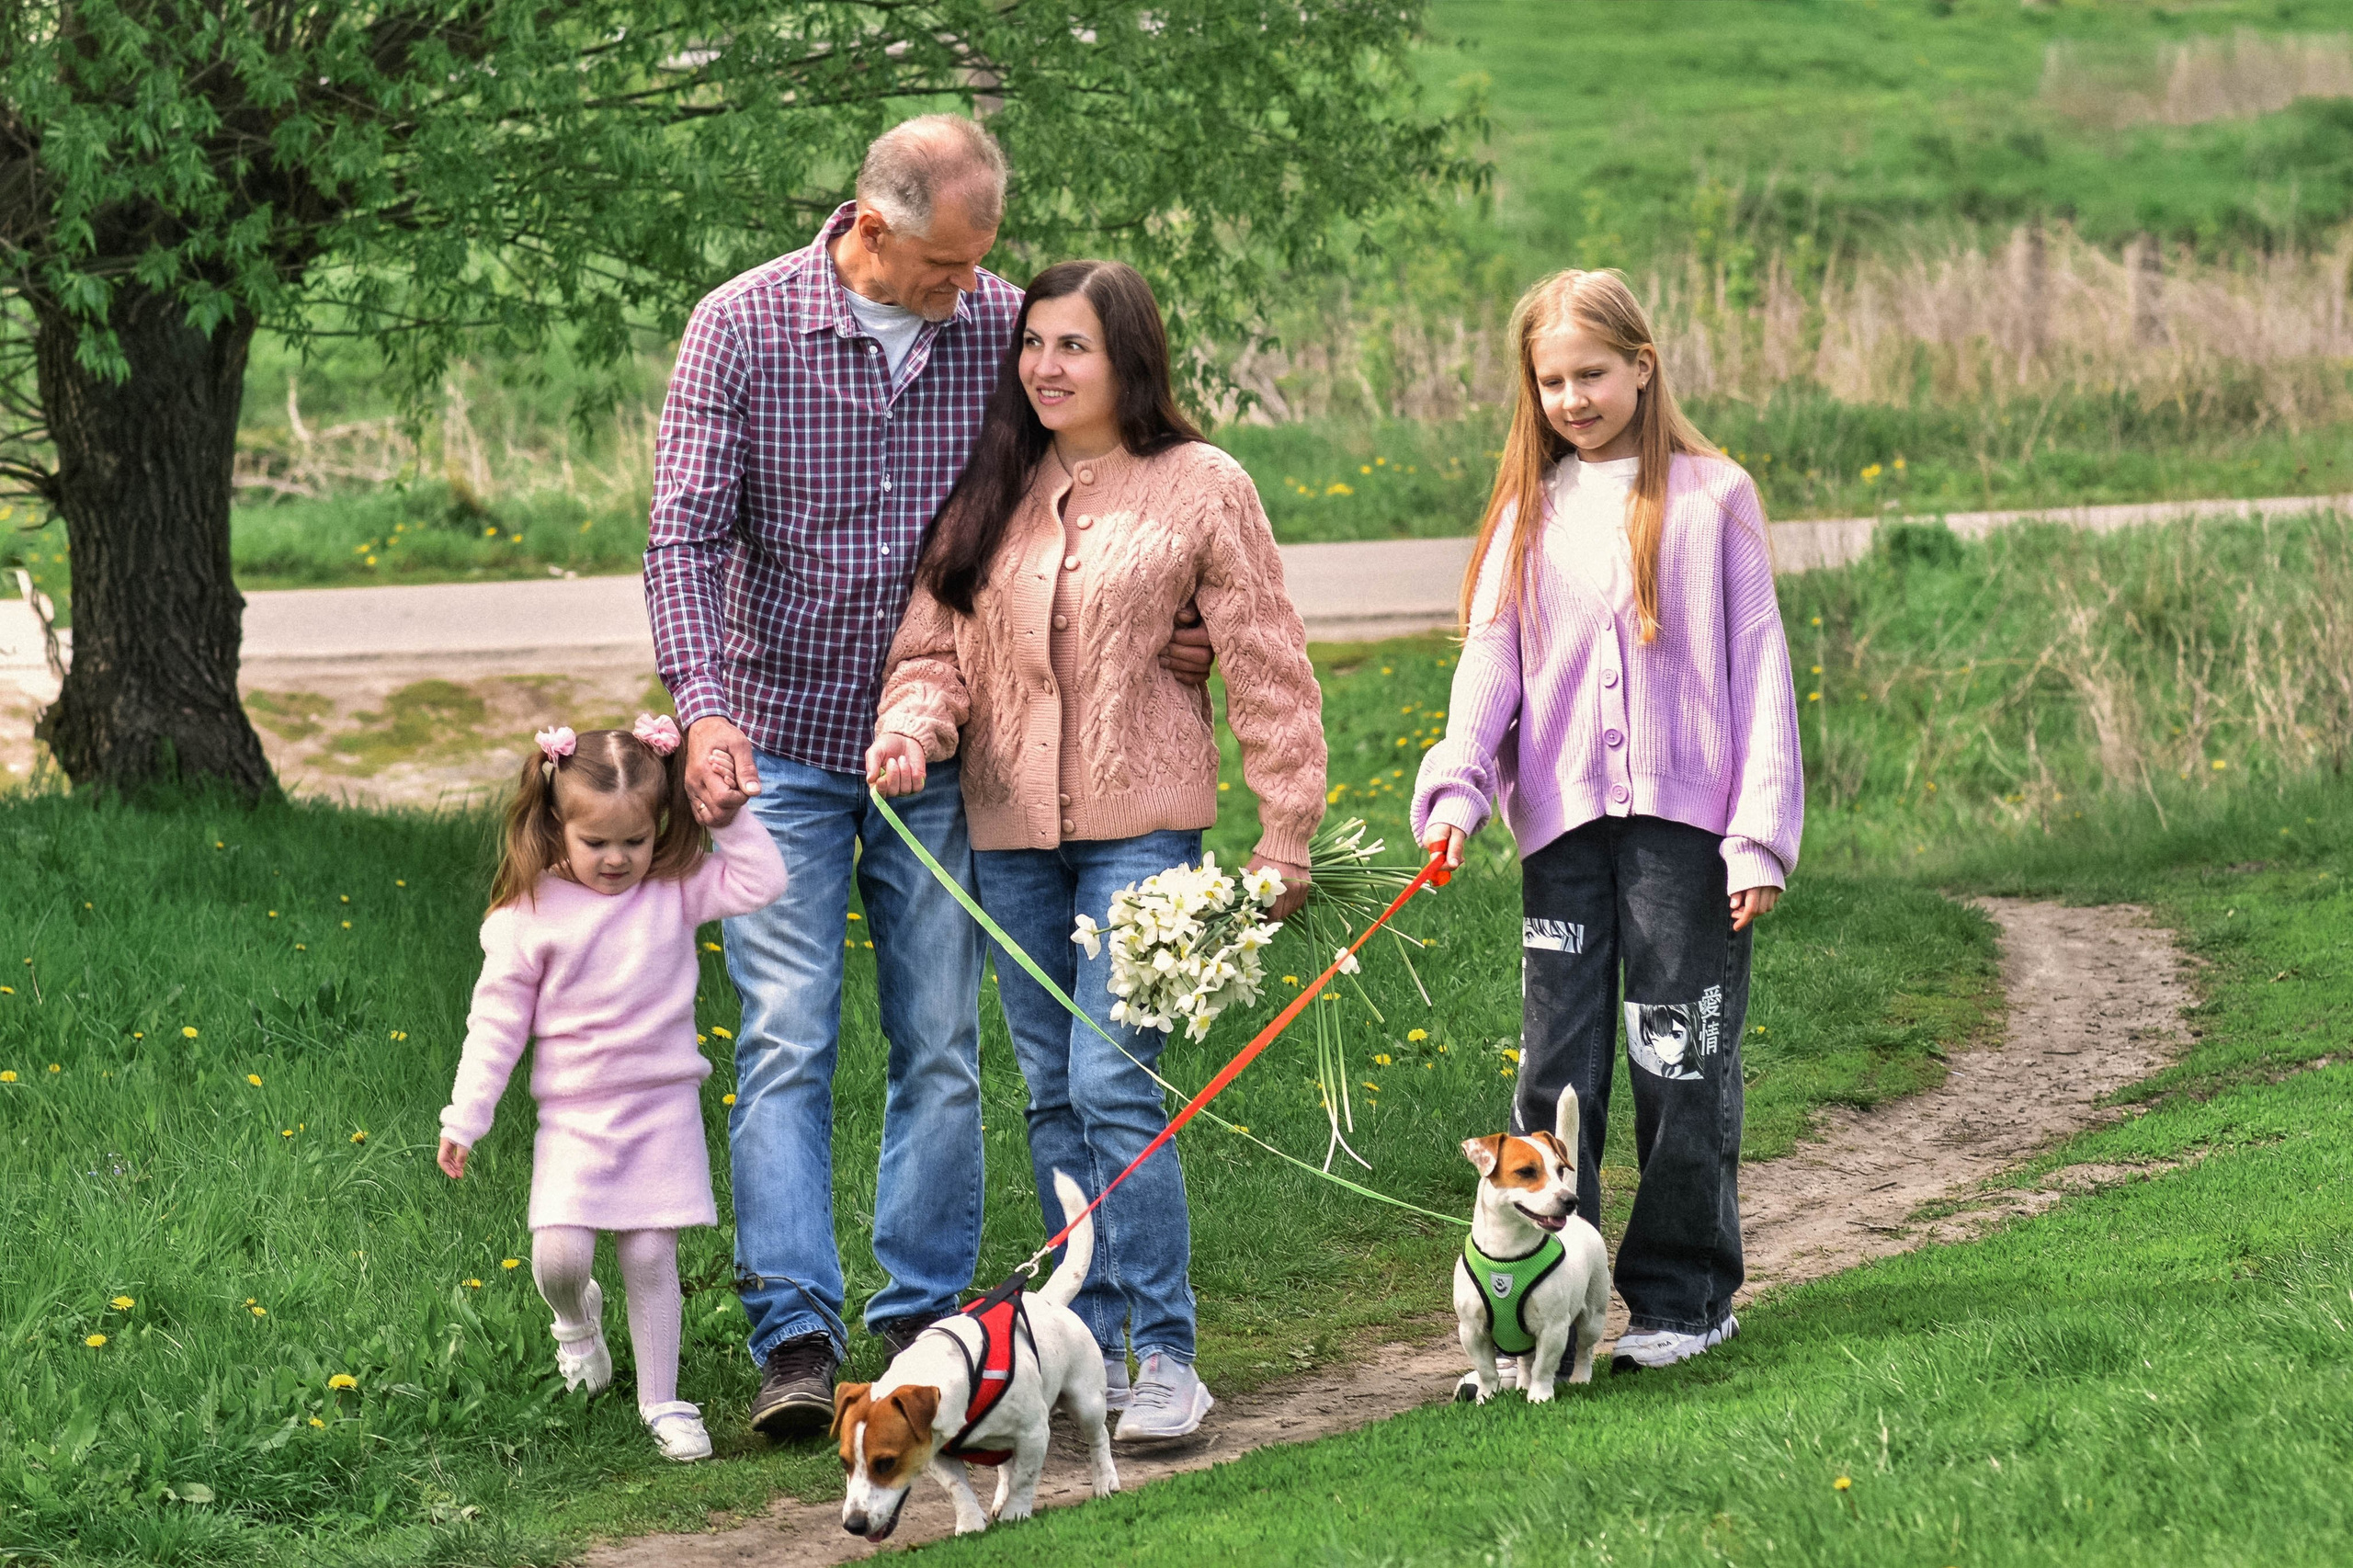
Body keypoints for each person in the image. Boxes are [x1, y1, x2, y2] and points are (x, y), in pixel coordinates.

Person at [644, 114, 1215, 1438]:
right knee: (786, 1037)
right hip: (777, 739)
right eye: (952, 268)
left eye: (985, 268)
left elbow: (1114, 469)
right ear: (871, 225)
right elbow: (682, 533)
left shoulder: (1008, 331)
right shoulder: (740, 326)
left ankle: (920, 1321)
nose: (978, 294)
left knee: (942, 1043)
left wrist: (1175, 611)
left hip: (948, 744)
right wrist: (706, 714)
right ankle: (794, 1337)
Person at [867, 259, 1326, 1440]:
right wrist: (911, 733)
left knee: (1115, 1078)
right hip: (1009, 831)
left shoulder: (1199, 485)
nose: (1044, 367)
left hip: (1146, 829)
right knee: (1052, 1096)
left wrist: (1287, 830)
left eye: (1072, 346)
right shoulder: (992, 485)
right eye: (1032, 345)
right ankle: (1100, 1345)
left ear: (1129, 358)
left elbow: (1266, 662)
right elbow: (931, 650)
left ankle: (1168, 1352)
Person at [1411, 268, 1802, 1375]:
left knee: (1680, 1061)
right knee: (1556, 1074)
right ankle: (1543, 1305)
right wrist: (1458, 789)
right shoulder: (1523, 514)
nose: (1573, 397)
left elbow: (1760, 666)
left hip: (1689, 837)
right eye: (1551, 381)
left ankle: (1683, 1297)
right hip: (1562, 838)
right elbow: (1490, 662)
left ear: (1642, 363)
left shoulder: (1715, 496)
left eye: (1592, 372)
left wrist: (1759, 831)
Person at [437, 716, 788, 1462]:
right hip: (575, 1114)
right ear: (557, 824)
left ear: (659, 827)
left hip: (660, 1106)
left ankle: (664, 1401)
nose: (618, 859)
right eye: (596, 843)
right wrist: (467, 1114)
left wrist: (730, 816)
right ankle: (575, 1322)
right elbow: (496, 1023)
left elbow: (763, 881)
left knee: (651, 1255)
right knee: (561, 1257)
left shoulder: (674, 887)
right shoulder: (528, 915)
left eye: (635, 839)